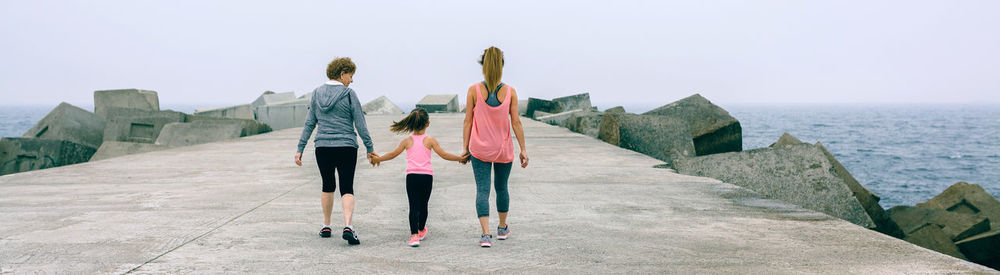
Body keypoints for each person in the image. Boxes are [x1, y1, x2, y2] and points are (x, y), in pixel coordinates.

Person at [294, 57, 377, 245]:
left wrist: (300, 148)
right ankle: (348, 226)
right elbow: (360, 123)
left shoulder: (316, 93)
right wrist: (370, 147)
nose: (352, 80)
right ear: (342, 74)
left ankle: (326, 225)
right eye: (350, 75)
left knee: (327, 185)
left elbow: (309, 123)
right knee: (347, 186)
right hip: (346, 146)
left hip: (322, 147)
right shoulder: (349, 94)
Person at [461, 46, 529, 248]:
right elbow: (516, 122)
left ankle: (485, 235)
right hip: (502, 149)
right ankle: (501, 228)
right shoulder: (510, 92)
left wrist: (465, 148)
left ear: (483, 65)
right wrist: (523, 149)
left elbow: (467, 121)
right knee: (501, 188)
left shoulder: (473, 90)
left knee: (482, 190)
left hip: (479, 149)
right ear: (502, 65)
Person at [370, 108, 467, 247]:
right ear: (427, 124)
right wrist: (459, 158)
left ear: (411, 123)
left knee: (413, 206)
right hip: (426, 177)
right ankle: (421, 229)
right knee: (423, 205)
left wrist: (378, 159)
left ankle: (414, 236)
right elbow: (444, 154)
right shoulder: (430, 140)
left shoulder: (407, 141)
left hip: (412, 177)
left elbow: (392, 154)